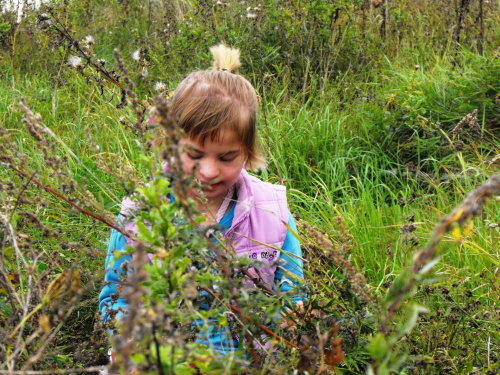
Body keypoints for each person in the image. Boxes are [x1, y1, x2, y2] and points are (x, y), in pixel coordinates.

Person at [98, 44, 304, 361]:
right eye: (194, 154)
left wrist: (291, 316)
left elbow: (291, 290)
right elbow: (118, 298)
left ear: (248, 153)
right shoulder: (140, 214)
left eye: (226, 157)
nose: (207, 171)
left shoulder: (271, 211)